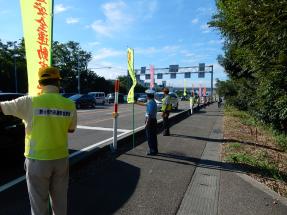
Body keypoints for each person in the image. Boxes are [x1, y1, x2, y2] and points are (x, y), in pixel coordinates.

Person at [0, 66, 77, 215]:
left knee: (38, 205)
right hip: (61, 158)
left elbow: (2, 107)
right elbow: (71, 129)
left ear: (40, 83)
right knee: (60, 202)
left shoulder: (29, 101)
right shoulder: (70, 104)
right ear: (58, 83)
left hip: (37, 160)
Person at [136, 89, 158, 155]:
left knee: (150, 136)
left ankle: (152, 150)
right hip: (153, 120)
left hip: (150, 121)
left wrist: (146, 123)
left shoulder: (150, 103)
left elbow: (149, 114)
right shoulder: (152, 101)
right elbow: (144, 104)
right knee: (153, 136)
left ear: (148, 96)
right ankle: (155, 149)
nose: (146, 96)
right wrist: (136, 102)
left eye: (146, 95)